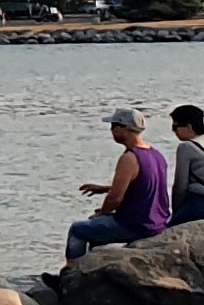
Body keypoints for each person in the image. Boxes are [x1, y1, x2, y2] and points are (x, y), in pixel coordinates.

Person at [67, 109, 173, 260]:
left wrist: (101, 213)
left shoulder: (130, 158)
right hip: (159, 223)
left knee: (78, 229)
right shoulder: (156, 155)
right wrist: (105, 188)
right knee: (96, 232)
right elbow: (144, 185)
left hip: (136, 225)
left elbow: (115, 198)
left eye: (114, 127)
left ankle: (72, 270)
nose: (112, 131)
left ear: (124, 128)